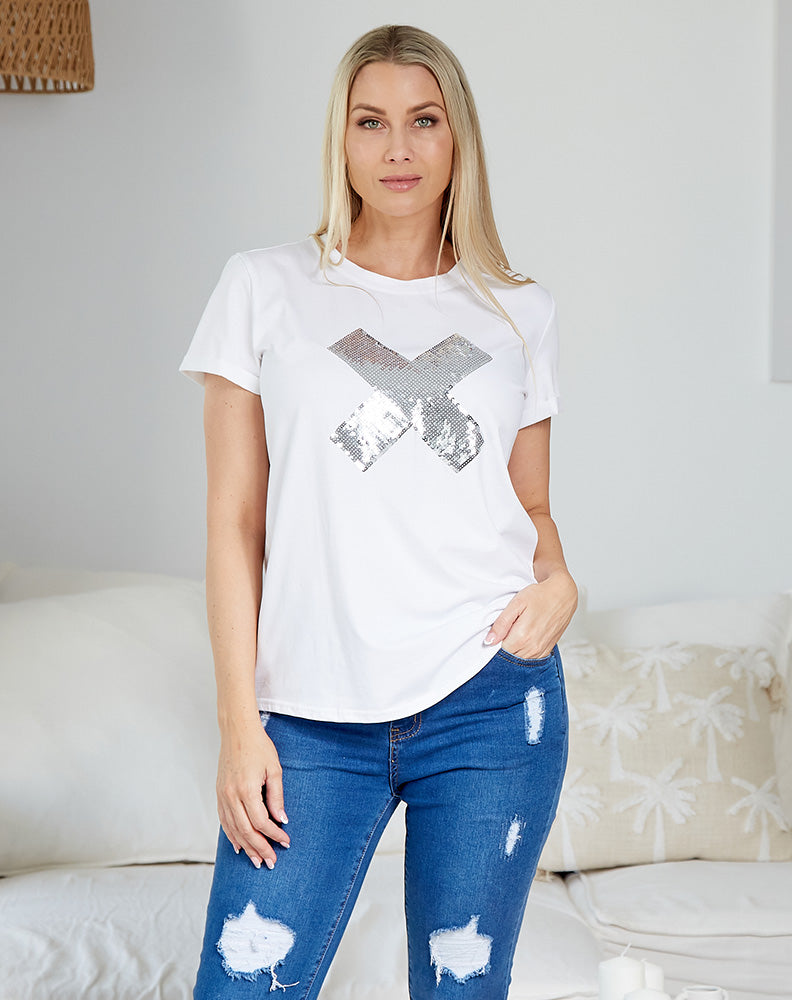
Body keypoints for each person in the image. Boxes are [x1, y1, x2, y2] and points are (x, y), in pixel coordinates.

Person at [180, 23, 577, 1000]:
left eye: (423, 120)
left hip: (489, 698)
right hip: (309, 714)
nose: (398, 149)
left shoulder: (518, 311)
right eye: (371, 122)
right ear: (341, 138)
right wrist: (239, 722)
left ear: (458, 137)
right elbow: (234, 523)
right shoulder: (266, 287)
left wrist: (560, 578)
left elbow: (530, 504)